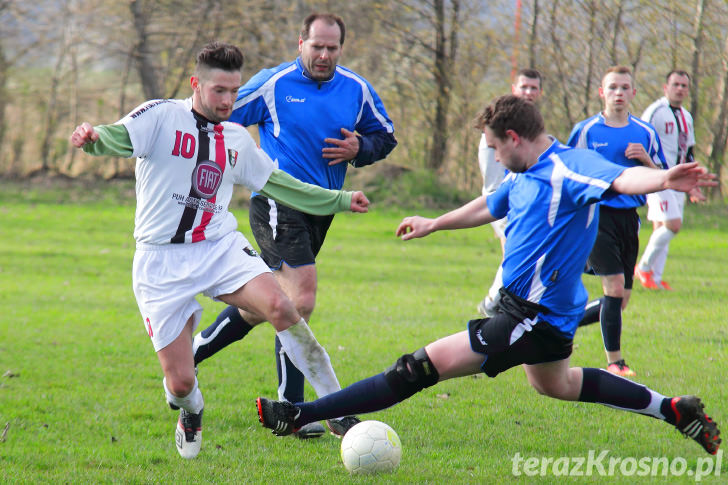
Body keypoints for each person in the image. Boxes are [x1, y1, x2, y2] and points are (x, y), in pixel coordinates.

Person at [254, 95, 720, 457]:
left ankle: (300, 413)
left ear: (514, 138)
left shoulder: (569, 167)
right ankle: (672, 409)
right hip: (545, 318)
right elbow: (487, 205)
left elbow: (621, 180)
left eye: (495, 147)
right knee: (557, 385)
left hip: (530, 316)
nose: (494, 156)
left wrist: (660, 180)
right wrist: (434, 223)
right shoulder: (522, 174)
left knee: (416, 368)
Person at [69, 42, 371, 459]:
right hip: (160, 261)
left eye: (234, 91)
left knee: (283, 308)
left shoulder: (235, 139)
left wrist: (339, 199)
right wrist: (92, 138)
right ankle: (192, 410)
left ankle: (337, 409)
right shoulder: (160, 116)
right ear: (196, 84)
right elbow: (117, 137)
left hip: (218, 247)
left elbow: (283, 186)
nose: (229, 100)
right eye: (219, 91)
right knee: (178, 384)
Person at [191, 12, 396, 439]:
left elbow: (386, 136)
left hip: (323, 210)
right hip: (276, 203)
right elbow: (218, 111)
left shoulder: (357, 89)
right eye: (316, 46)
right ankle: (296, 409)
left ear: (341, 47)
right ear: (300, 42)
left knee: (262, 307)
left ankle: (190, 352)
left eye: (332, 48)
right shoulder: (274, 83)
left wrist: (362, 146)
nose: (324, 55)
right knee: (300, 298)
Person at [566, 66, 667, 377]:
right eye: (612, 88)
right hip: (597, 216)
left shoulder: (645, 133)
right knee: (612, 288)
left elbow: (664, 177)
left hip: (629, 220)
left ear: (634, 93)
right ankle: (615, 362)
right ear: (602, 92)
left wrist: (646, 160)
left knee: (620, 299)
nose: (619, 93)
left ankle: (558, 321)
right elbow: (567, 173)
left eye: (625, 88)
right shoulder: (586, 131)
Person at [476, 68, 543, 318]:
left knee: (524, 256)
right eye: (523, 87)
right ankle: (497, 305)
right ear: (514, 89)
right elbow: (492, 184)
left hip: (528, 205)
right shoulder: (495, 129)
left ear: (539, 92)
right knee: (514, 254)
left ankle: (498, 304)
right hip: (505, 205)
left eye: (533, 88)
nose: (528, 92)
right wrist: (502, 215)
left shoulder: (535, 127)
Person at [635, 70, 705, 290]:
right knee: (673, 226)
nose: (680, 89)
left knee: (661, 229)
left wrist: (693, 183)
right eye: (676, 84)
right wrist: (647, 171)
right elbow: (641, 137)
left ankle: (654, 279)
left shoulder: (686, 116)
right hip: (659, 176)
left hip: (680, 179)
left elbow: (689, 150)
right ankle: (643, 268)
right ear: (666, 87)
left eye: (684, 85)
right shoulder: (656, 111)